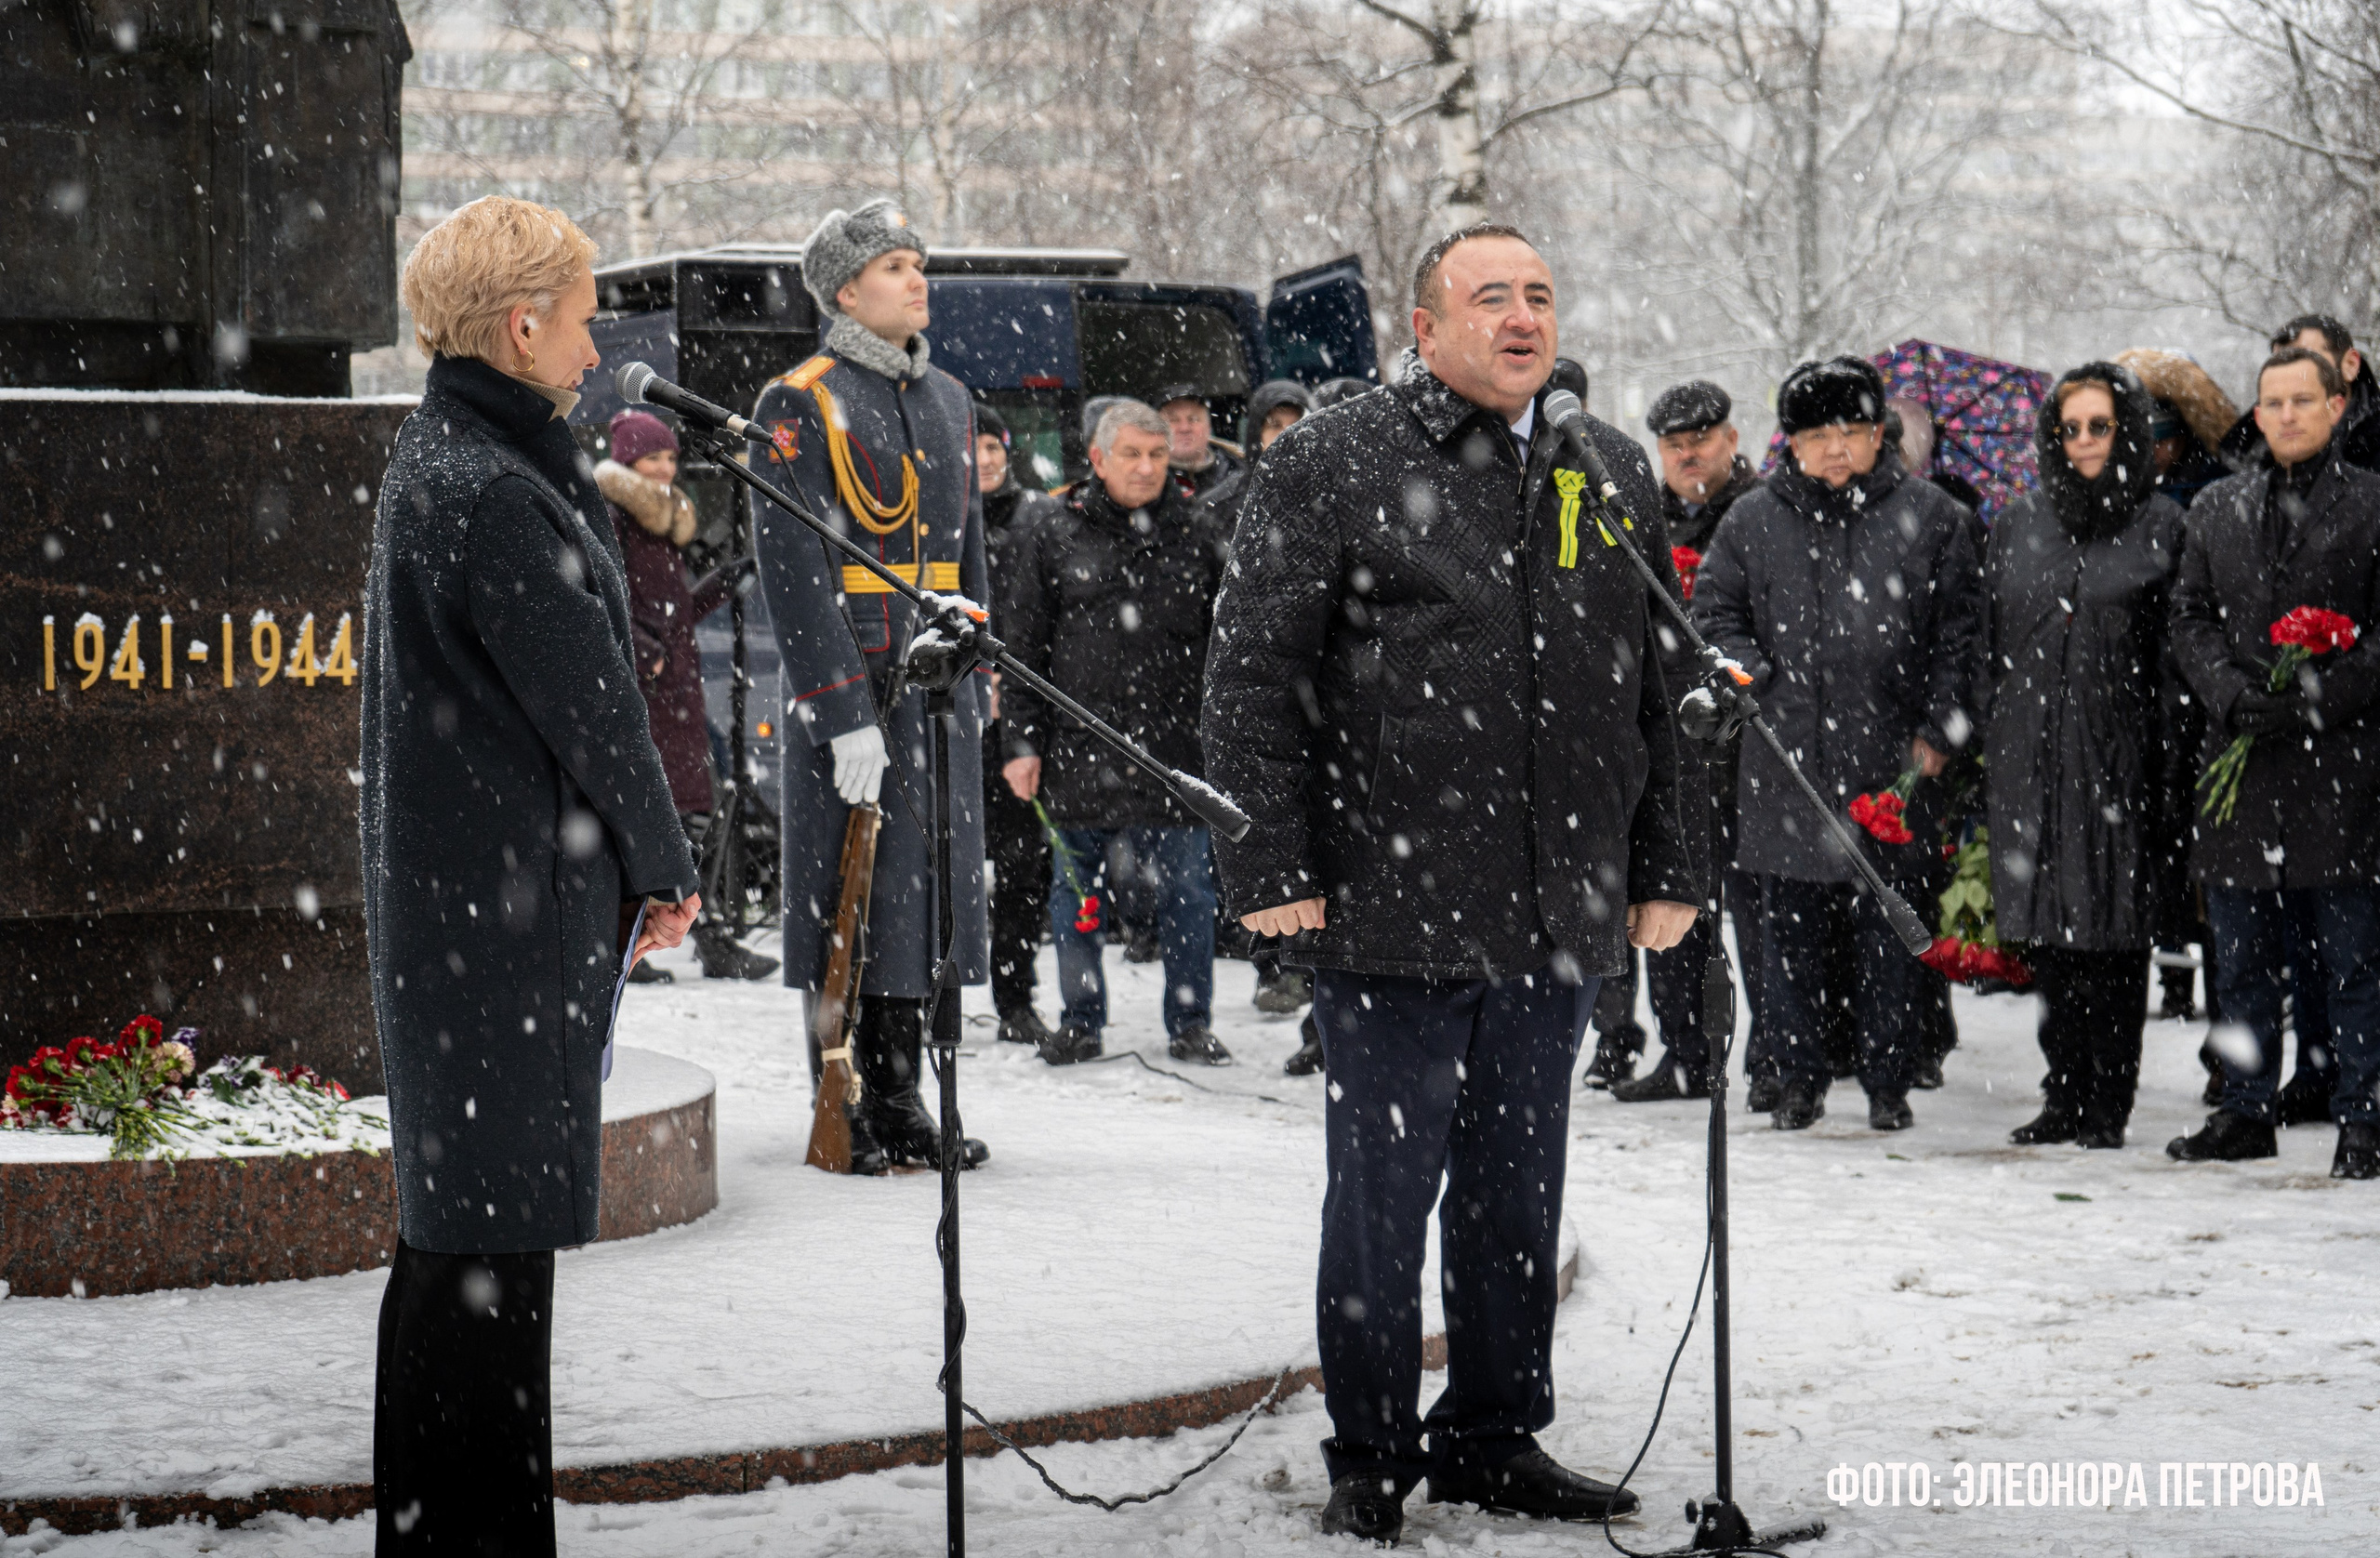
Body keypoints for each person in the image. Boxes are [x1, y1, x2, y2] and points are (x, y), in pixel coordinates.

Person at [1200, 221, 1698, 1544]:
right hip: (1389, 899)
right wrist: (1272, 863)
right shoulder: (1334, 458)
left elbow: (1660, 688)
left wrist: (1667, 862)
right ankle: (1370, 1446)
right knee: (1383, 1194)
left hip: (1557, 904)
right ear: (1426, 328)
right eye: (1492, 297)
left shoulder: (1609, 466)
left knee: (1517, 1187)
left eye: (1540, 293)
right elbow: (1252, 676)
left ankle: (1493, 1431)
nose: (1524, 316)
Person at [364, 195, 702, 1557]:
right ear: (519, 327)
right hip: (501, 923)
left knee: (463, 1254)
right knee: (482, 1271)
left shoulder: (449, 452)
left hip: (469, 913)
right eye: (578, 313)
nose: (594, 337)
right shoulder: (493, 486)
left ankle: (447, 1529)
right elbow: (593, 703)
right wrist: (664, 861)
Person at [748, 198, 989, 1173]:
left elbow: (966, 551)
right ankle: (858, 1091)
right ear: (845, 290)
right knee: (860, 892)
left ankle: (912, 1083)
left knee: (933, 888)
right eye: (894, 265)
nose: (916, 278)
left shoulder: (951, 398)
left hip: (937, 678)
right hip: (862, 671)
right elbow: (795, 568)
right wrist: (841, 708)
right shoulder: (798, 398)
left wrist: (981, 652)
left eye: (918, 262)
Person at [1695, 354, 1982, 1134]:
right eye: (1818, 434)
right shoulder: (1752, 520)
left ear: (1877, 433)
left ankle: (1890, 1080)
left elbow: (1962, 638)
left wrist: (1938, 729)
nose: (1836, 449)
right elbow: (1714, 610)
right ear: (1790, 442)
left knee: (1889, 937)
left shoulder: (1932, 517)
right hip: (1783, 764)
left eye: (1851, 430)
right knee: (1787, 940)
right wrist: (1746, 672)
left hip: (1892, 769)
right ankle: (1797, 1079)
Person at [2166, 345, 2380, 1178]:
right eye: (2272, 402)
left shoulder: (2371, 505)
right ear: (2255, 414)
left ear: (2336, 407)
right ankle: (2245, 1107)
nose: (2286, 415)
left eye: (2303, 400)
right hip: (2242, 766)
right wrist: (2228, 693)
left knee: (2353, 955)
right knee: (2241, 955)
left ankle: (2362, 1114)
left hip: (2343, 766)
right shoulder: (2217, 506)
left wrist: (2323, 692)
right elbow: (2189, 618)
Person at [1983, 364, 2188, 1150]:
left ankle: (2109, 1099)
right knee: (2046, 937)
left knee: (2112, 933)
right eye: (2070, 428)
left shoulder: (2162, 526)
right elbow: (1992, 640)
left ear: (2126, 430)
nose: (2084, 442)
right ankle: (2062, 1089)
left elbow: (2173, 657)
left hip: (2120, 760)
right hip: (2027, 759)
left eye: (2099, 426)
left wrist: (2164, 765)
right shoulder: (2019, 524)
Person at [1000, 401, 1234, 1067]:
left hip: (1175, 754)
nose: (1145, 468)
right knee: (1076, 895)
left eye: (1157, 455)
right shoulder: (1054, 533)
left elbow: (1229, 648)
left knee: (1189, 896)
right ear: (1098, 459)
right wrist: (1022, 744)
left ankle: (1190, 1021)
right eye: (1130, 454)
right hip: (1079, 750)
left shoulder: (1199, 531)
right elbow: (1022, 648)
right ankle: (1080, 1019)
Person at [1600, 378, 1766, 1104]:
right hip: (1671, 751)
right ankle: (1686, 1051)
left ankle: (1778, 1055)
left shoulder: (1764, 518)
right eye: (1674, 445)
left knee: (1762, 922)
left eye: (1702, 440)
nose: (1690, 455)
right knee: (1675, 907)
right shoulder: (1642, 524)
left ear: (1732, 439)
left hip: (1753, 747)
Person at [596, 409, 778, 984]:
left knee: (692, 818)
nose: (666, 468)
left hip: (676, 693)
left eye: (672, 458)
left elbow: (673, 617)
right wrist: (644, 647)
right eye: (654, 458)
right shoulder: (614, 516)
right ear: (628, 463)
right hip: (642, 695)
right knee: (651, 822)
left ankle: (709, 934)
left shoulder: (663, 524)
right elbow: (604, 595)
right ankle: (630, 940)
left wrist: (720, 585)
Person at [1198, 378, 1321, 1040]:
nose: (1282, 436)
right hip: (1245, 682)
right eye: (1271, 425)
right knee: (1251, 832)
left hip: (1313, 691)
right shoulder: (1222, 506)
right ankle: (1270, 961)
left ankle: (1308, 979)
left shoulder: (1334, 494)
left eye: (1294, 422)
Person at [973, 404, 1061, 1049]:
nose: (984, 459)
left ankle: (1015, 996)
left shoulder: (1038, 520)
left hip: (1019, 721)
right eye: (971, 447)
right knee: (940, 871)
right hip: (953, 717)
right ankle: (932, 995)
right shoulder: (938, 519)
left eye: (992, 446)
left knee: (1023, 870)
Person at [1156, 381, 1244, 501]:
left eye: (1194, 419)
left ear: (1209, 427)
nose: (1184, 428)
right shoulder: (1145, 480)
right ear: (1157, 430)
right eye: (1173, 420)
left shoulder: (1240, 474)